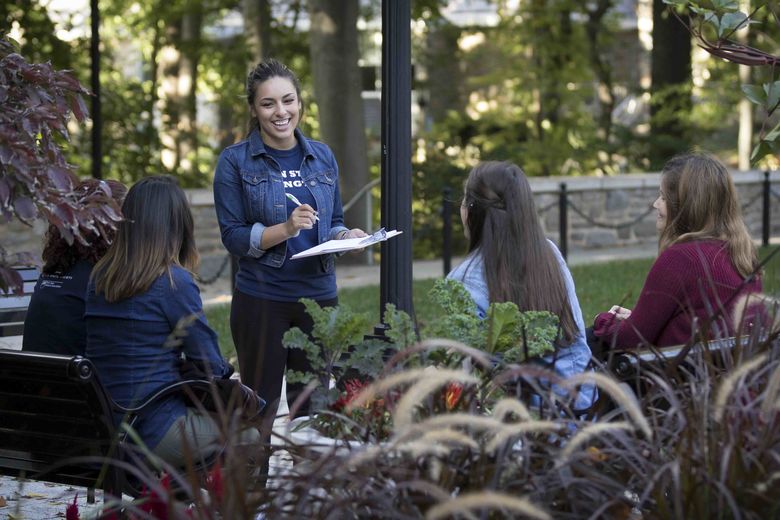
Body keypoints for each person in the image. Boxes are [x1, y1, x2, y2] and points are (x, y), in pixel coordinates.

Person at [213, 59, 365, 419]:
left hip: (319, 298)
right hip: (262, 299)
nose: (281, 112)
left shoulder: (322, 155)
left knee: (312, 412)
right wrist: (286, 229)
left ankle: (307, 476)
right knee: (257, 413)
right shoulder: (235, 162)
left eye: (288, 100)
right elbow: (233, 237)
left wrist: (346, 235)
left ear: (299, 103)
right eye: (268, 104)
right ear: (254, 109)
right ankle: (253, 478)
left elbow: (333, 221)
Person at [85, 175, 249, 467]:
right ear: (178, 224)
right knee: (249, 433)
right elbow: (210, 363)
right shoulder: (173, 281)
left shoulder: (100, 276)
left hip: (106, 426)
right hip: (154, 428)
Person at [448, 161, 595, 412]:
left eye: (464, 201)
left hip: (520, 430)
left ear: (472, 210)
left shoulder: (463, 279)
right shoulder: (550, 254)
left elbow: (468, 373)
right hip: (584, 407)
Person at [592, 151, 763, 349]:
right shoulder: (743, 255)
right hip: (727, 373)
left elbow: (630, 339)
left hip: (681, 377)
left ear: (686, 207)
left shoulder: (681, 259)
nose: (655, 204)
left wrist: (602, 319)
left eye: (663, 198)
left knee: (584, 342)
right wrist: (637, 319)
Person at [22, 179, 127, 355]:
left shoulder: (51, 272)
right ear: (113, 225)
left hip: (33, 378)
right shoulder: (102, 280)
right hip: (79, 379)